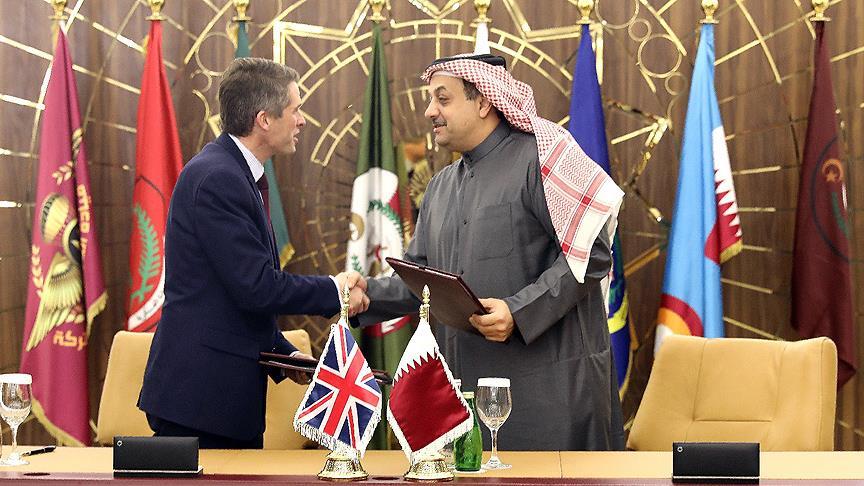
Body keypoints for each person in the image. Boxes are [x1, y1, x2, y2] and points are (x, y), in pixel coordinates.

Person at [355, 54, 625, 450]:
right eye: (430, 100)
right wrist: (365, 294)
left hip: (550, 398)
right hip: (462, 403)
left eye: (442, 99)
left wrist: (519, 312)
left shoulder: (544, 159)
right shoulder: (440, 186)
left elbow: (592, 253)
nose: (430, 111)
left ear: (483, 101)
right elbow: (421, 278)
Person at [138, 58, 368, 449]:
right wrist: (337, 290)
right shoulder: (219, 178)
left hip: (216, 399)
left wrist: (284, 354)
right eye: (295, 110)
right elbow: (256, 287)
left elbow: (226, 297)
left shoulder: (231, 172)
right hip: (202, 400)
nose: (302, 121)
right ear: (264, 119)